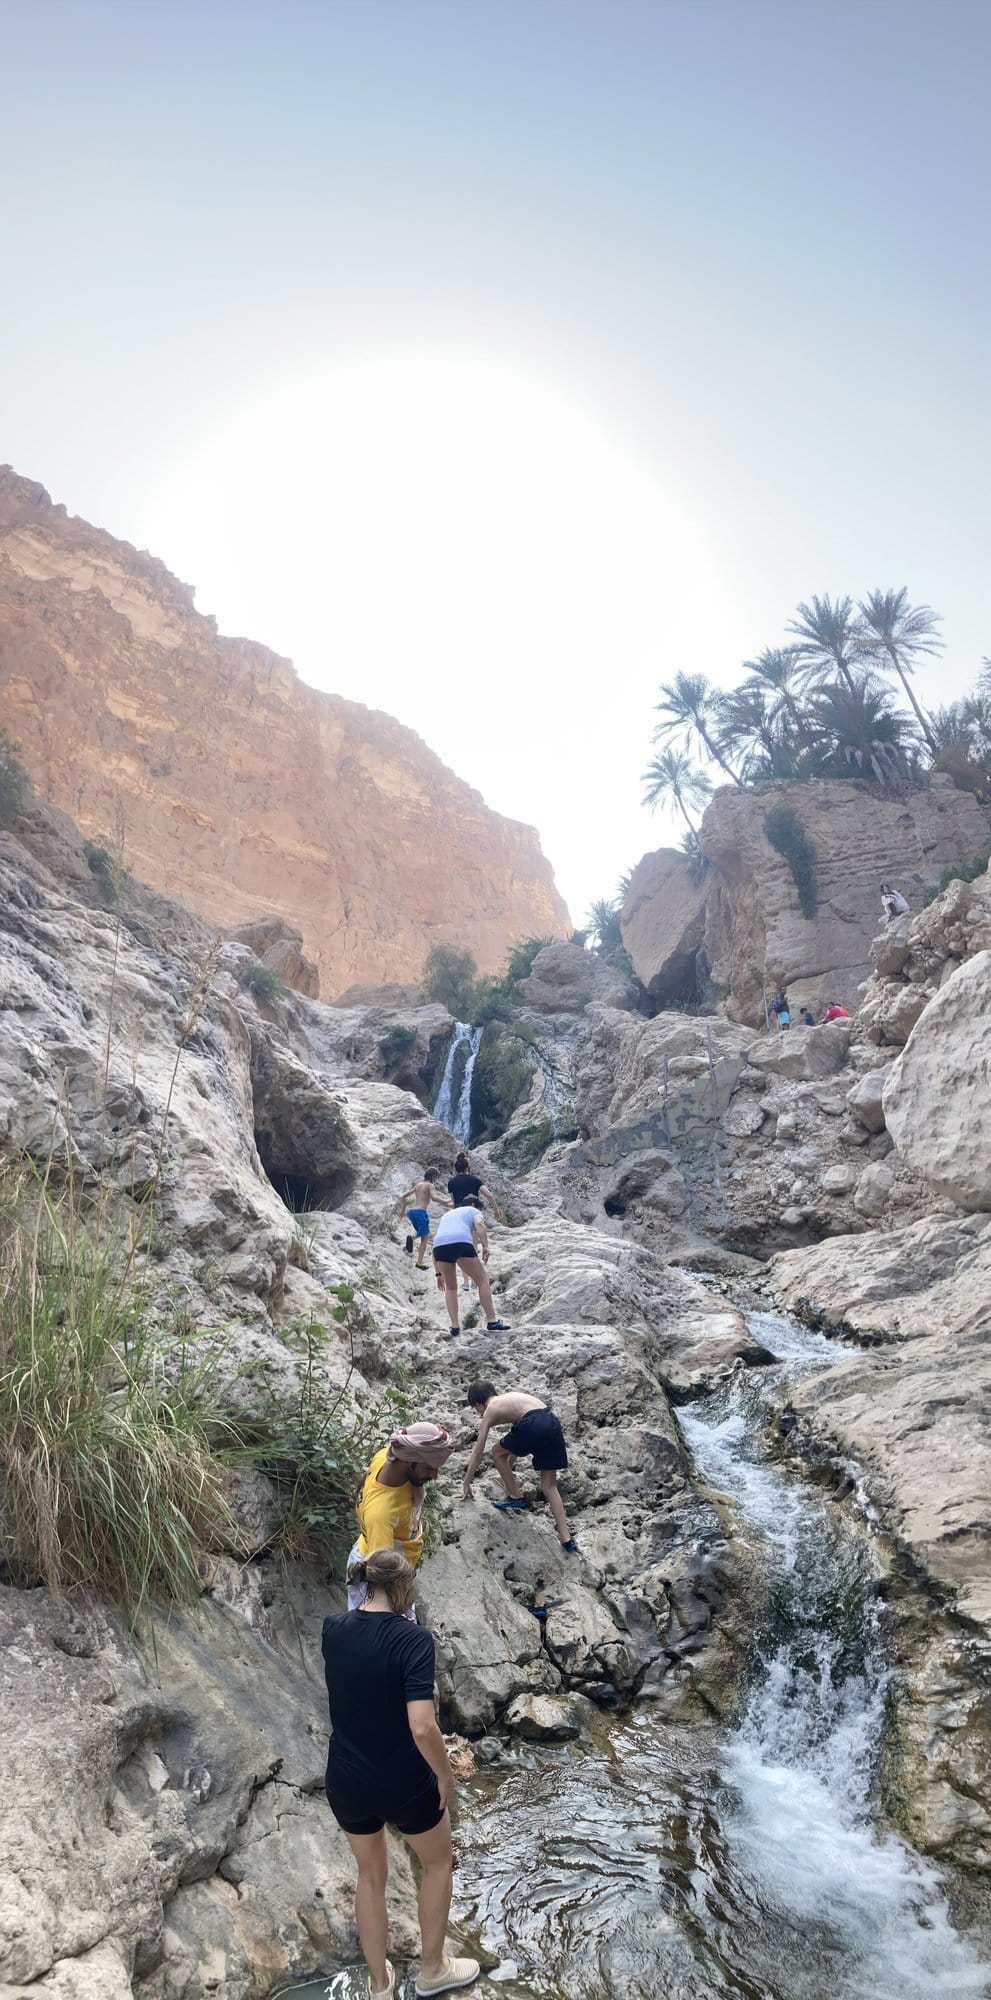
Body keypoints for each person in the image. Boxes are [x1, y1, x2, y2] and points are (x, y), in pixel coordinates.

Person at [322, 1547, 480, 2000]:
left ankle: (378, 1986)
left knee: (371, 1875)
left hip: (347, 1777)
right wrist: (445, 1774)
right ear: (403, 1587)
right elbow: (422, 1724)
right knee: (437, 1863)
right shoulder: (414, 1640)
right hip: (403, 1780)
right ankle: (432, 1970)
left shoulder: (333, 1629)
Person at [347, 1424, 455, 1613]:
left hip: (391, 1557)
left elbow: (367, 1474)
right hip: (377, 1571)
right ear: (407, 1461)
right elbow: (382, 1575)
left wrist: (358, 1490)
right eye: (429, 1468)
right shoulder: (382, 1514)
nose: (434, 1476)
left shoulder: (386, 1457)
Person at [462, 1382, 577, 1553]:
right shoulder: (511, 1399)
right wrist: (508, 1475)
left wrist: (466, 1483)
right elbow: (515, 1448)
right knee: (549, 1486)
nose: (479, 1414)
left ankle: (516, 1496)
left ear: (478, 1404)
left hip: (534, 1422)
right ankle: (567, 1539)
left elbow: (478, 1453)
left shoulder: (490, 1409)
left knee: (496, 1452)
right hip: (551, 1421)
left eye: (476, 1409)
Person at [432, 1200, 509, 1338]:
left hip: (439, 1246)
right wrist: (485, 1246)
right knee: (483, 1281)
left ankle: (454, 1327)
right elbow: (479, 1224)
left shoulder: (447, 1216)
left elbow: (437, 1244)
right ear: (475, 1206)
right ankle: (492, 1321)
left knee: (450, 1288)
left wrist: (438, 1274)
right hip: (460, 1242)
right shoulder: (474, 1211)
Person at [399, 1168, 451, 1270]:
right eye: (436, 1177)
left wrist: (404, 1207)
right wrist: (446, 1200)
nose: (436, 1180)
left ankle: (411, 1241)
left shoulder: (418, 1185)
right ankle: (419, 1262)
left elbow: (403, 1196)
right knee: (425, 1237)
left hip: (411, 1212)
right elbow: (434, 1197)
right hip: (420, 1212)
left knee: (423, 1233)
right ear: (433, 1177)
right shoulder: (430, 1185)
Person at [447, 1150, 503, 1221]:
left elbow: (454, 1202)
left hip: (459, 1214)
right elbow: (489, 1195)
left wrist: (446, 1204)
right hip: (473, 1212)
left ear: (456, 1169)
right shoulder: (475, 1180)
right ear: (467, 1168)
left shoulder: (451, 1182)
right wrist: (496, 1210)